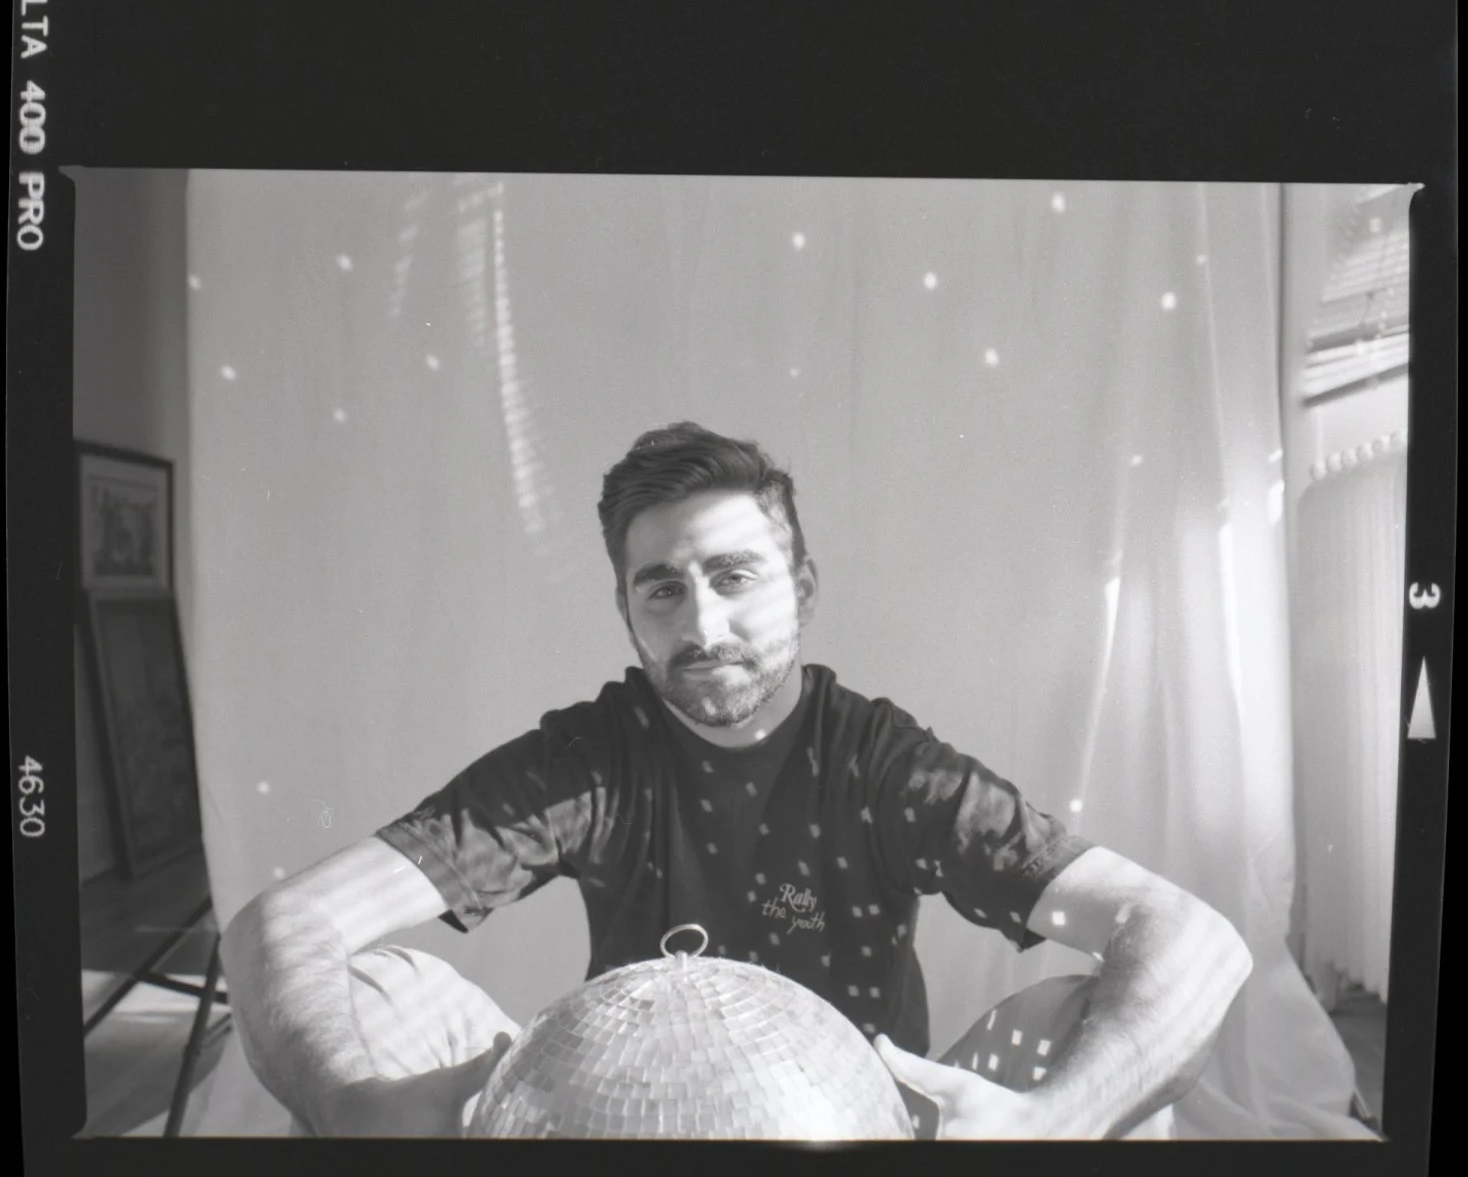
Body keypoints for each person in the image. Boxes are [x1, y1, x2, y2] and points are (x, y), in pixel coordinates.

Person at [221, 417, 1253, 1138]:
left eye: (734, 577)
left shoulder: (883, 765)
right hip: (621, 1130)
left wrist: (1056, 1121)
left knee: (1100, 1029)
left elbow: (1191, 941)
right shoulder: (590, 760)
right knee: (352, 993)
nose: (702, 624)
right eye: (663, 589)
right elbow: (282, 925)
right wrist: (345, 1102)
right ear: (627, 613)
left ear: (800, 585)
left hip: (853, 1133)